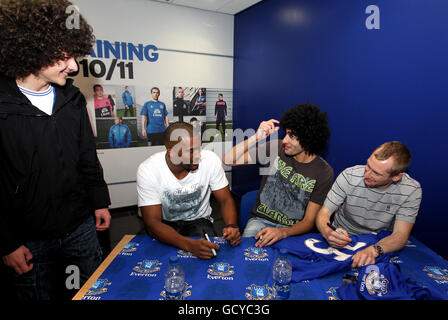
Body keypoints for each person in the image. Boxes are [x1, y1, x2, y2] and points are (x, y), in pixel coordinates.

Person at [0, 0, 111, 300]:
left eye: (73, 55)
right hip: (28, 239)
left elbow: (88, 157)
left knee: (91, 292)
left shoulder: (72, 99)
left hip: (80, 226)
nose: (74, 65)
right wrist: (7, 243)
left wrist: (99, 202)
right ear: (31, 50)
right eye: (63, 56)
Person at [223, 103, 334, 247]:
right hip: (260, 222)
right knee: (246, 257)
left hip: (293, 230)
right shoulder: (276, 147)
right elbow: (228, 160)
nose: (286, 140)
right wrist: (256, 137)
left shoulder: (324, 172)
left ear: (308, 138)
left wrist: (282, 232)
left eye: (292, 136)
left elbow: (308, 221)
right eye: (287, 133)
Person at [137, 122, 241, 259]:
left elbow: (226, 200)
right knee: (144, 258)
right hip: (164, 223)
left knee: (209, 257)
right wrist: (188, 245)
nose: (198, 155)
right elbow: (153, 222)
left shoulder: (210, 160)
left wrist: (232, 226)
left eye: (199, 148)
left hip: (199, 221)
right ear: (172, 152)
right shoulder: (148, 169)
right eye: (191, 151)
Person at [315, 141, 422, 268]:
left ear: (396, 177)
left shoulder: (411, 190)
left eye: (376, 173)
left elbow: (400, 235)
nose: (367, 174)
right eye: (368, 165)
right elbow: (324, 213)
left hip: (379, 241)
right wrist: (327, 231)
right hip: (342, 237)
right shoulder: (349, 176)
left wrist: (374, 250)